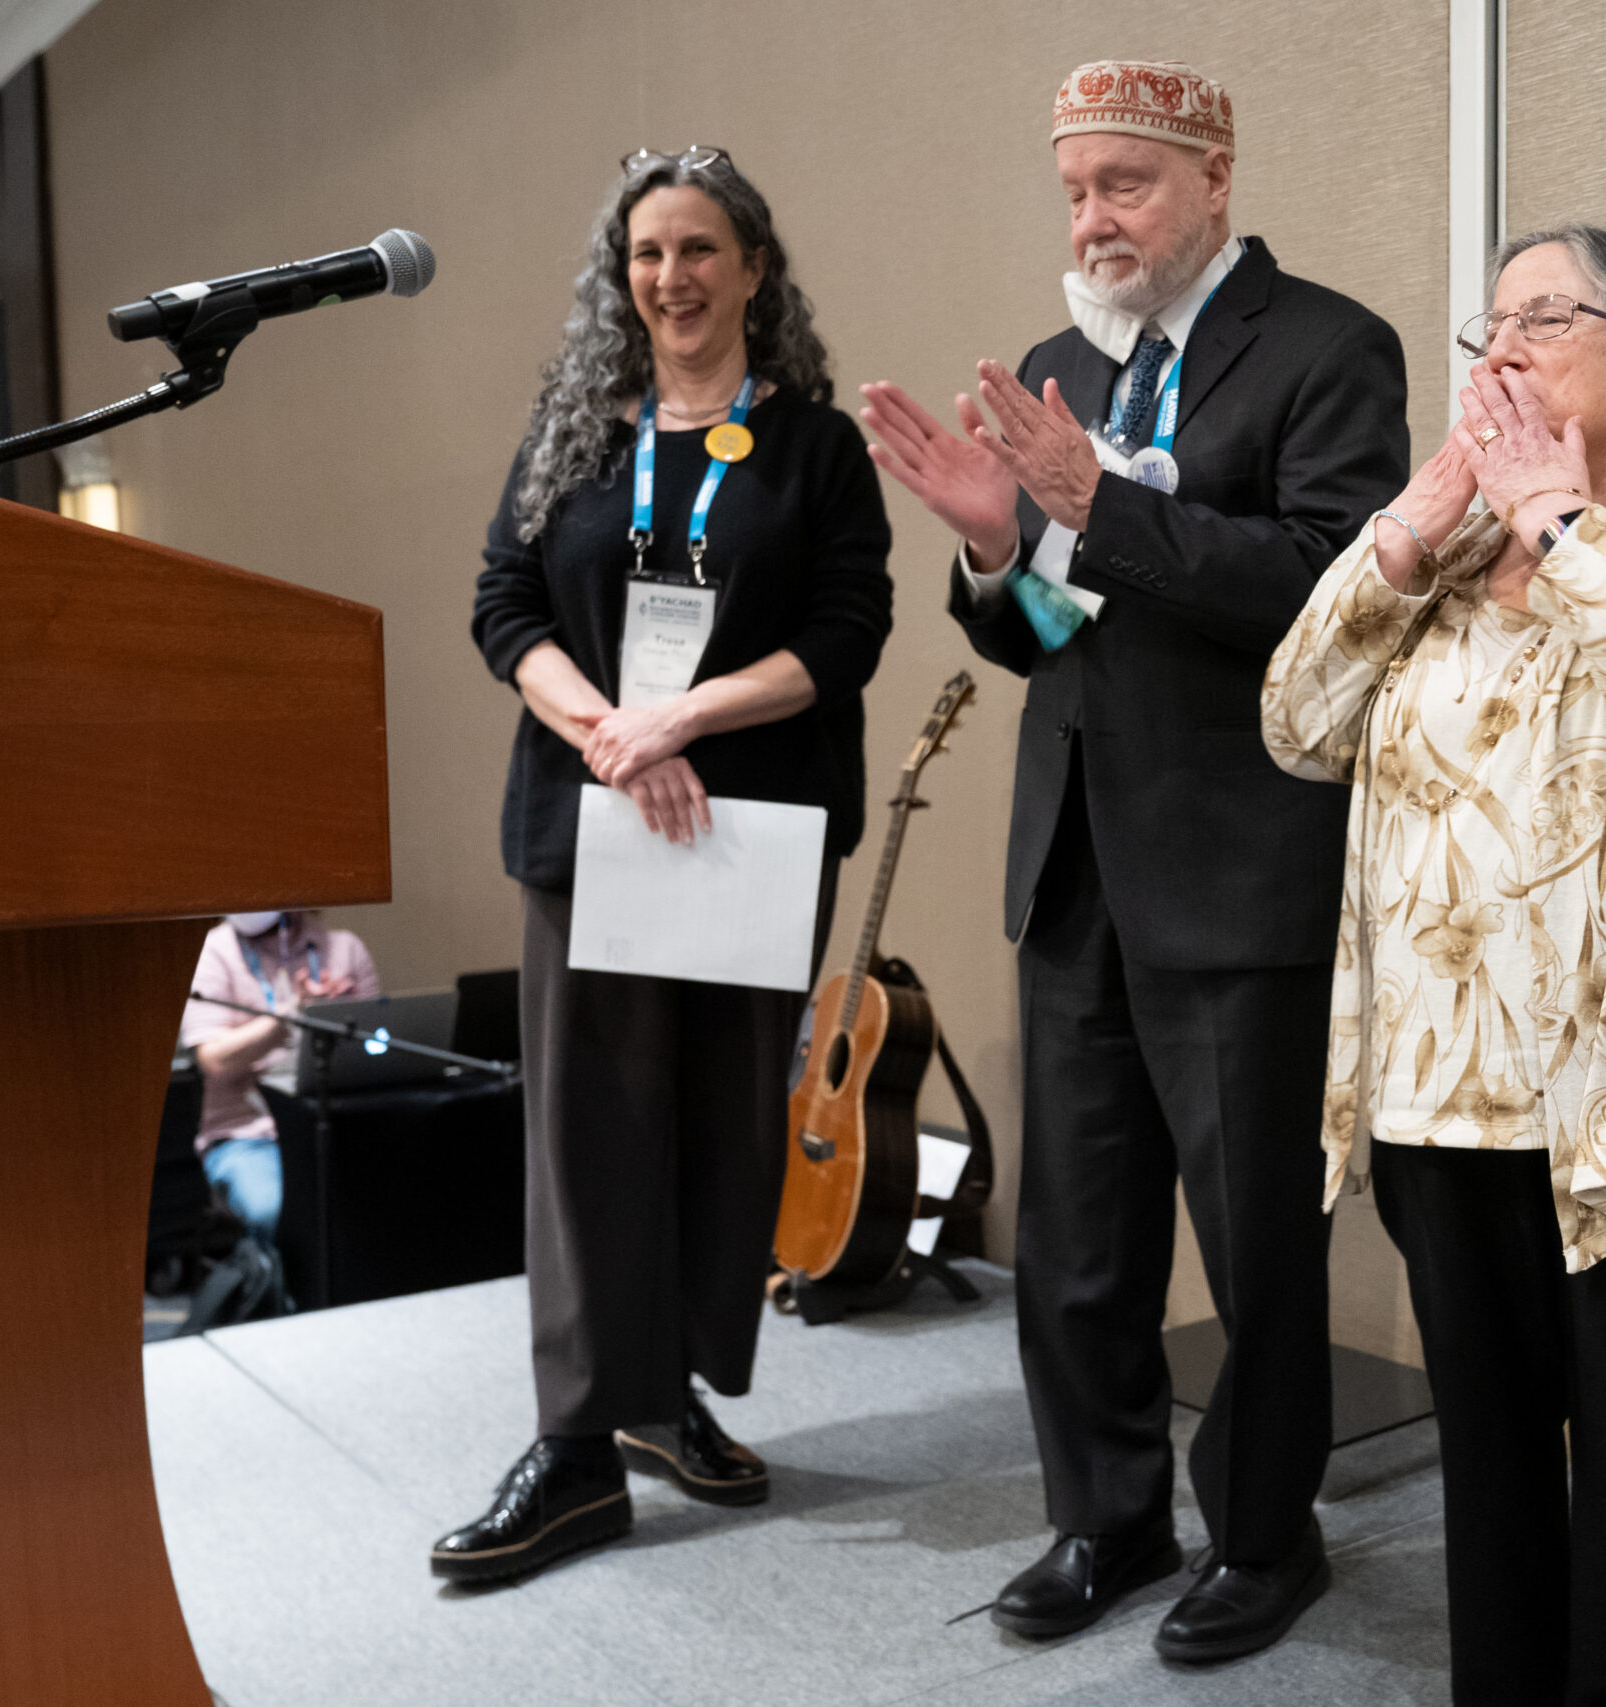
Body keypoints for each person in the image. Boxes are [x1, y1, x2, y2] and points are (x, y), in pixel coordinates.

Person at [860, 60, 1408, 1663]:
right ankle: (1104, 1516)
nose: (1093, 219)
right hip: (1077, 860)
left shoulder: (1326, 348)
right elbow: (1047, 639)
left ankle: (1262, 1531)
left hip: (1240, 865)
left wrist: (1095, 506)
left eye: (1126, 184)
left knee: (1253, 1240)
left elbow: (1330, 588)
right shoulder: (1055, 370)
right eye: (1075, 190)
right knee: (1080, 1232)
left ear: (1215, 176)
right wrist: (989, 546)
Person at [1259, 225, 1606, 1704]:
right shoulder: (1432, 568)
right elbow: (1296, 723)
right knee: (1493, 1497)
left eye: (1545, 319)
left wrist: (1565, 524)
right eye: (1487, 328)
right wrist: (1408, 529)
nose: (1500, 350)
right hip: (1450, 1104)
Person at [446, 147, 893, 1583]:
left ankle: (667, 1392)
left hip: (745, 835)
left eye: (701, 249)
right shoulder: (579, 427)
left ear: (755, 270)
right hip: (594, 830)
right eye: (647, 253)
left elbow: (846, 632)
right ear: (619, 276)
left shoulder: (815, 446)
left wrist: (678, 718)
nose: (672, 277)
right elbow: (504, 600)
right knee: (587, 1128)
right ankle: (578, 1441)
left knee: (720, 1126)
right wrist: (611, 735)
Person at [180, 909, 379, 1241]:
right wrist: (286, 1019)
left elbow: (378, 1046)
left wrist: (345, 1019)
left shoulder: (344, 948)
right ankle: (286, 1290)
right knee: (278, 1210)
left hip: (342, 1125)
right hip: (249, 1136)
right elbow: (213, 1059)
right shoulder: (213, 952)